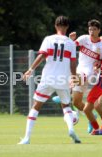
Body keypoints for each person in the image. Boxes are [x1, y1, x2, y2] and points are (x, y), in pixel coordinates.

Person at [18, 16, 81, 144]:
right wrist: (73, 77)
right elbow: (73, 63)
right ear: (67, 27)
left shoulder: (49, 39)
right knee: (66, 107)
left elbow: (42, 56)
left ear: (55, 26)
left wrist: (30, 69)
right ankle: (70, 129)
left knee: (36, 107)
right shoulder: (71, 43)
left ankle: (27, 138)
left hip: (48, 78)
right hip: (63, 78)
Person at [69, 20, 102, 132]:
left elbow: (101, 62)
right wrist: (70, 40)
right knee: (76, 102)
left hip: (91, 72)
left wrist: (98, 65)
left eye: (94, 29)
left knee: (73, 77)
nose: (92, 31)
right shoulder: (83, 39)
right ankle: (91, 116)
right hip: (80, 69)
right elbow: (70, 46)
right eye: (90, 29)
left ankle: (65, 92)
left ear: (99, 30)